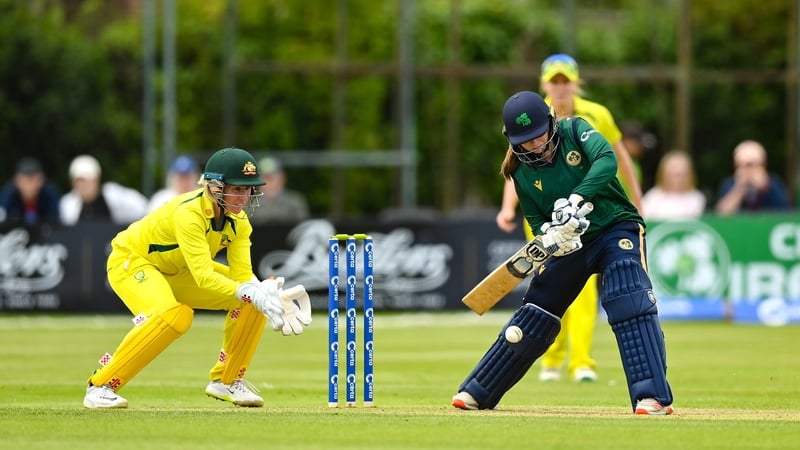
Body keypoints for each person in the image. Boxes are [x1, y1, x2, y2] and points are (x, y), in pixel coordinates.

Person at [453, 91, 674, 415]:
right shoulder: (519, 172)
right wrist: (555, 234)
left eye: (539, 135)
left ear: (551, 122)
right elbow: (536, 220)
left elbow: (607, 160)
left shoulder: (575, 131)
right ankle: (479, 391)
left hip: (615, 226)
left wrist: (576, 200)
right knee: (536, 309)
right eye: (525, 141)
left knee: (628, 294)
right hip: (573, 242)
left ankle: (651, 397)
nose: (535, 145)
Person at [82, 147, 312, 409]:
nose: (244, 197)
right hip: (133, 261)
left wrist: (265, 292)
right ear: (214, 187)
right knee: (174, 316)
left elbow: (242, 277)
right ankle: (100, 385)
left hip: (179, 271)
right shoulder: (189, 213)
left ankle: (227, 380)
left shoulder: (239, 221)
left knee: (253, 299)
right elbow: (203, 275)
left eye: (248, 189)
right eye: (237, 189)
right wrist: (252, 290)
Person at [496, 54, 644, 383]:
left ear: (577, 82)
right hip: (545, 213)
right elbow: (517, 169)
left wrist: (636, 198)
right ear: (544, 83)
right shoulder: (530, 113)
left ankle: (581, 362)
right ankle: (551, 358)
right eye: (554, 81)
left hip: (591, 210)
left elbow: (618, 157)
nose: (560, 87)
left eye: (566, 81)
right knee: (550, 280)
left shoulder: (596, 115)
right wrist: (508, 208)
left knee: (585, 287)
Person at [60, 155, 148, 225]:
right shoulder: (68, 204)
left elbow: (142, 207)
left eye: (86, 180)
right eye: (78, 181)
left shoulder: (114, 195)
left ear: (96, 180)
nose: (82, 185)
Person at [714, 140, 791, 215]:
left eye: (751, 165)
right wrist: (740, 188)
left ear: (763, 165)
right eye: (741, 165)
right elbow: (721, 213)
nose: (747, 170)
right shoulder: (729, 184)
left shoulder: (774, 183)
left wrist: (765, 188)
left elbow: (785, 211)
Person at [641, 150, 706, 220]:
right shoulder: (652, 197)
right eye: (672, 175)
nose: (677, 180)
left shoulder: (697, 198)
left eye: (681, 175)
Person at [247, 156, 310, 225]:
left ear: (282, 178)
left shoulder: (296, 201)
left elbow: (302, 228)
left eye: (270, 178)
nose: (266, 182)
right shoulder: (248, 203)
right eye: (264, 177)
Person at [0, 157, 61, 225]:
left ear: (41, 180)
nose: (29, 186)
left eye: (33, 181)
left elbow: (55, 222)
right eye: (25, 181)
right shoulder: (8, 196)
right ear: (16, 181)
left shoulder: (50, 194)